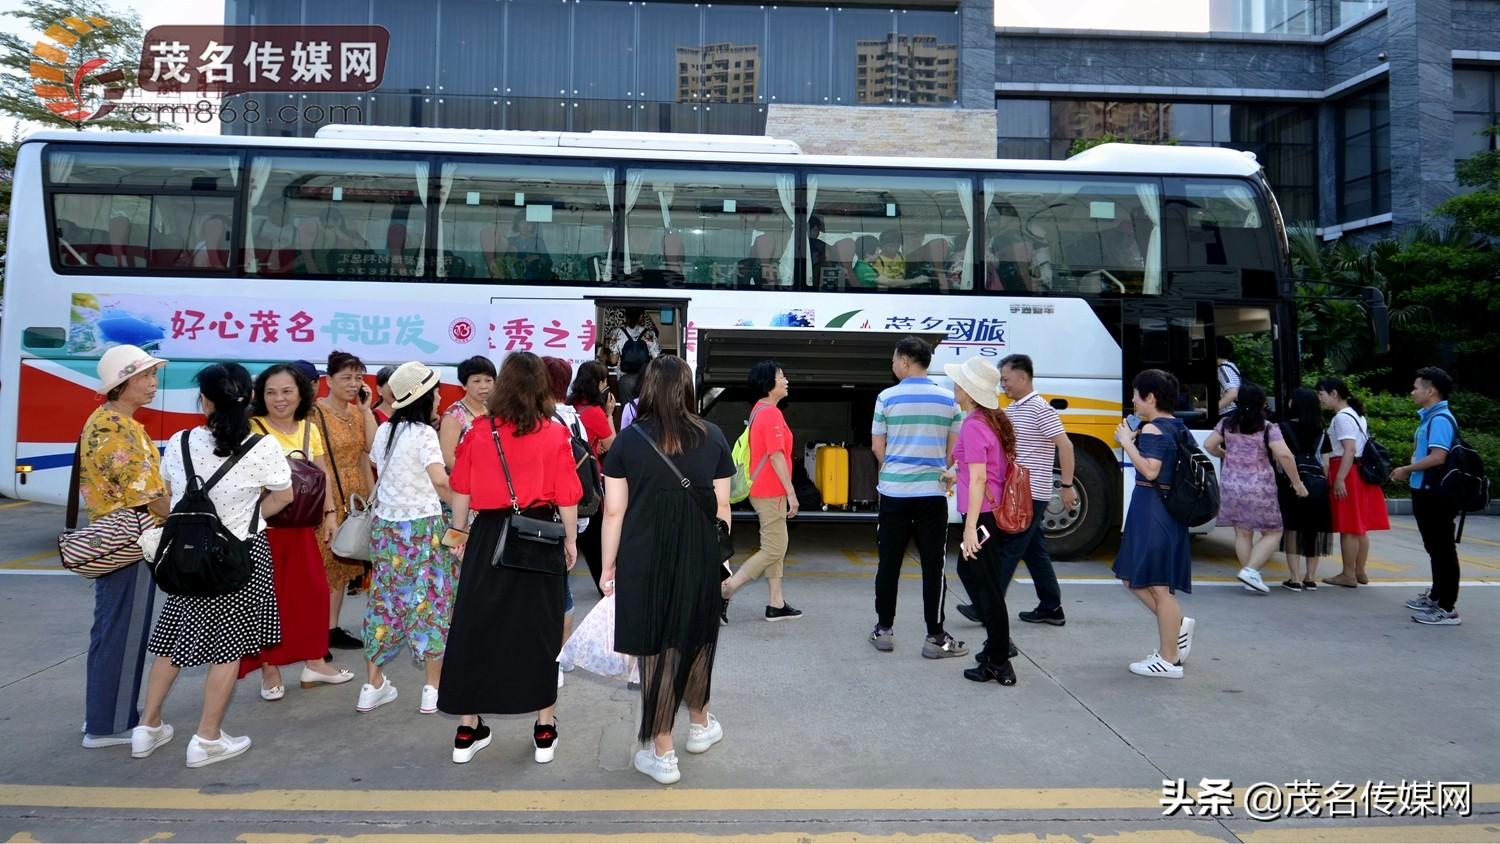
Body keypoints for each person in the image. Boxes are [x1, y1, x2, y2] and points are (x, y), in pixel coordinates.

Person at [132, 363, 294, 768]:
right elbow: (284, 497)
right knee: (229, 646)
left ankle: (147, 728)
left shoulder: (181, 441)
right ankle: (206, 738)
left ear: (204, 400)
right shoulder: (264, 447)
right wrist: (246, 521)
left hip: (188, 555)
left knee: (173, 638)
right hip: (240, 556)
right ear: (248, 400)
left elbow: (166, 499)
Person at [439, 351, 581, 765]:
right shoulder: (554, 433)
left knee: (475, 628)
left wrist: (459, 535)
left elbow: (460, 488)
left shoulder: (478, 431)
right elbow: (567, 494)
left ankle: (468, 728)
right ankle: (544, 728)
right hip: (538, 535)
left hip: (488, 537)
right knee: (539, 631)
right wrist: (569, 540)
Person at [600, 355, 734, 785]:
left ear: (649, 388)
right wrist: (722, 559)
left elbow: (614, 512)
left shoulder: (626, 441)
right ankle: (699, 725)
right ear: (688, 388)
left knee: (656, 651)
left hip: (644, 558)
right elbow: (724, 507)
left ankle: (663, 753)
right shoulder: (713, 436)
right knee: (697, 637)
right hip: (698, 556)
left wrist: (607, 569)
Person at [78, 345, 172, 750]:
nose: (152, 384)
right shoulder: (112, 428)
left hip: (128, 542)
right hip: (128, 543)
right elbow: (145, 493)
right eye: (144, 377)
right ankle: (109, 725)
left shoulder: (119, 422)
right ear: (122, 383)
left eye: (153, 376)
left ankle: (107, 714)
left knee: (117, 628)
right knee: (123, 630)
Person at [244, 364, 355, 698]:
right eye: (271, 392)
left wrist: (332, 514)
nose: (280, 399)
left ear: (300, 393)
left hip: (302, 528)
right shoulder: (252, 428)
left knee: (313, 596)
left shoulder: (310, 428)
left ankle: (315, 662)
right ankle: (269, 669)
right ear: (261, 396)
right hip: (264, 528)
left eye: (287, 391)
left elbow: (322, 476)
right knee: (268, 601)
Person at [356, 362, 457, 715]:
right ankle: (432, 689)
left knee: (384, 602)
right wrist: (464, 502)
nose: (441, 397)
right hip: (422, 531)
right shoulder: (424, 434)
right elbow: (440, 481)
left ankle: (373, 685)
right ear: (424, 396)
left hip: (387, 530)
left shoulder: (386, 432)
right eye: (436, 391)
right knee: (429, 603)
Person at [957, 355, 1075, 627]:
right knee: (1034, 550)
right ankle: (1051, 606)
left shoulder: (1040, 409)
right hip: (1017, 492)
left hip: (1030, 494)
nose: (1003, 386)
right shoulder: (1014, 409)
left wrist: (1067, 486)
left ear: (1023, 378)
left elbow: (1065, 446)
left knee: (1007, 551)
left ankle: (985, 607)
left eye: (1006, 380)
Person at [869, 337, 966, 658]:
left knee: (889, 563)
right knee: (933, 565)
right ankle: (935, 636)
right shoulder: (948, 401)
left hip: (895, 493)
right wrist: (943, 470)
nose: (892, 365)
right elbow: (954, 451)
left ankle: (884, 629)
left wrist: (892, 470)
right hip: (932, 494)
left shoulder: (886, 398)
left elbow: (877, 447)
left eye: (895, 360)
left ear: (907, 361)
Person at [1112, 369, 1194, 679]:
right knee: (1134, 579)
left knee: (1158, 586)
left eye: (1136, 394)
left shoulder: (1153, 430)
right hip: (1163, 510)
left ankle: (1169, 658)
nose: (1132, 400)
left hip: (1153, 511)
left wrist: (1126, 442)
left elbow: (1150, 471)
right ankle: (1175, 628)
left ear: (1151, 398)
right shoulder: (1176, 426)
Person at [945, 357, 1021, 686]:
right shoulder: (988, 420)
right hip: (988, 513)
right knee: (975, 577)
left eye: (959, 381)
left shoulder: (975, 425)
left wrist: (969, 528)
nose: (954, 385)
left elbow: (979, 480)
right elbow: (979, 469)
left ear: (968, 390)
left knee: (987, 590)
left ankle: (999, 660)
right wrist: (952, 473)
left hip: (983, 516)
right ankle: (997, 648)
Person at [1204, 382, 1309, 594]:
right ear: (1262, 403)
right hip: (1259, 486)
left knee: (1242, 533)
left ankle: (1248, 576)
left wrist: (1226, 455)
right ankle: (1251, 570)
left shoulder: (1226, 423)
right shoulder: (1268, 427)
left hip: (1231, 484)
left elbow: (1209, 445)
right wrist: (1297, 483)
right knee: (1274, 531)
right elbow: (1284, 455)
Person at [721, 361, 802, 621]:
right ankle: (726, 589)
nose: (786, 380)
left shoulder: (759, 410)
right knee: (775, 548)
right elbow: (776, 456)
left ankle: (776, 603)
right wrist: (791, 493)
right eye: (781, 376)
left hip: (763, 489)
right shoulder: (770, 414)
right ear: (768, 384)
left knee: (776, 543)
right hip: (771, 490)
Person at [313, 350, 377, 652]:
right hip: (327, 496)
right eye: (346, 378)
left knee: (342, 566)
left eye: (358, 378)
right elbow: (318, 463)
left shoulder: (357, 413)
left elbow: (370, 453)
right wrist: (327, 509)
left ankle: (331, 628)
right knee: (323, 565)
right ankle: (313, 633)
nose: (353, 384)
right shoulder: (316, 414)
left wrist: (373, 495)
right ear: (329, 380)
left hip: (356, 498)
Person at [1392, 367, 1463, 625]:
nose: (1413, 392)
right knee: (1435, 547)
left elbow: (1437, 457)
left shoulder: (1440, 419)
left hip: (1436, 493)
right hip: (1425, 490)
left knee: (1443, 548)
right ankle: (1436, 596)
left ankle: (1447, 607)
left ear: (1430, 391)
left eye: (1416, 387)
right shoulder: (1429, 417)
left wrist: (1405, 470)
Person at [1315, 377, 1389, 587]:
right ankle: (1359, 571)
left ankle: (1348, 574)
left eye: (1321, 394)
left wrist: (1339, 479)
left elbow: (1348, 449)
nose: (1320, 399)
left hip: (1347, 472)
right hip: (1359, 472)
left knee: (1349, 526)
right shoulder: (1357, 415)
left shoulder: (1341, 418)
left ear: (1334, 393)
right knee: (1359, 527)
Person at [543, 355, 587, 686]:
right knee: (562, 585)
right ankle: (562, 654)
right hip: (572, 512)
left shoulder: (547, 420)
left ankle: (553, 659)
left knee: (556, 588)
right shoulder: (574, 417)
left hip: (552, 513)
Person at [569, 359, 618, 594]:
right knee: (595, 534)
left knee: (577, 533)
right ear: (599, 384)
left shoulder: (572, 406)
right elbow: (615, 446)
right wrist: (609, 414)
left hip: (568, 478)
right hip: (588, 479)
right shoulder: (595, 412)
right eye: (604, 380)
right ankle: (605, 585)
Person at [1277, 388, 1333, 591]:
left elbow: (1279, 458)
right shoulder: (1321, 431)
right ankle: (1311, 578)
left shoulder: (1281, 428)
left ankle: (1295, 578)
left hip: (1293, 483)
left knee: (1292, 529)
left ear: (1295, 404)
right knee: (1313, 530)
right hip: (1318, 484)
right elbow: (1325, 464)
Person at [440, 355, 496, 471]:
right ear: (464, 385)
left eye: (488, 380)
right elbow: (449, 459)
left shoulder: (493, 410)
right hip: (467, 482)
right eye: (477, 381)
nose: (484, 386)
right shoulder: (454, 415)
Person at [1216, 336, 1241, 418]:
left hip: (1228, 413)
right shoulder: (1231, 366)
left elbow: (1232, 393)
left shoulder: (1223, 369)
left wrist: (1213, 411)